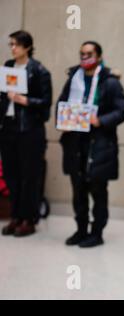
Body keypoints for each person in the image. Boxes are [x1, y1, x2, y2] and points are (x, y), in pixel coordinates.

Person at [58, 41, 124, 248]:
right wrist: (62, 121)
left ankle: (96, 233)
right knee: (78, 190)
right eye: (81, 54)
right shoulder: (74, 79)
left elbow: (122, 110)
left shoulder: (110, 81)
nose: (84, 57)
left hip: (100, 144)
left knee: (98, 191)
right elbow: (62, 104)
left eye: (89, 54)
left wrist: (101, 120)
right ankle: (81, 230)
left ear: (98, 56)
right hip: (75, 143)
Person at [0, 30, 52, 237]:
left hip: (30, 129)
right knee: (12, 175)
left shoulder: (39, 71)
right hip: (8, 127)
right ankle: (16, 216)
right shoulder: (8, 67)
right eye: (11, 44)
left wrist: (25, 100)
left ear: (27, 47)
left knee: (29, 176)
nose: (12, 48)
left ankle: (28, 218)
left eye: (16, 44)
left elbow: (46, 103)